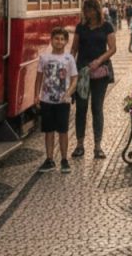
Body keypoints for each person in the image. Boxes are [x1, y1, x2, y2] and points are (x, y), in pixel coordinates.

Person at [71, 0, 117, 159]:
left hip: (100, 72)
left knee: (97, 108)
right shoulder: (80, 27)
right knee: (81, 108)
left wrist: (99, 60)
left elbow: (112, 49)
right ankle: (79, 144)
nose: (88, 13)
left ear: (97, 10)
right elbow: (74, 50)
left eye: (90, 10)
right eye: (86, 10)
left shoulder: (106, 26)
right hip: (82, 71)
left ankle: (98, 146)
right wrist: (71, 71)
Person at [34, 27, 79, 173]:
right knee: (48, 131)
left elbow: (74, 79)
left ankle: (64, 159)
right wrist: (36, 96)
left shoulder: (69, 58)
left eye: (62, 39)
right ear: (51, 40)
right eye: (56, 39)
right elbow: (39, 78)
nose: (59, 42)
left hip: (62, 102)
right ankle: (49, 159)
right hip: (47, 100)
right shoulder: (44, 58)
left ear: (66, 41)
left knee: (63, 131)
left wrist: (69, 93)